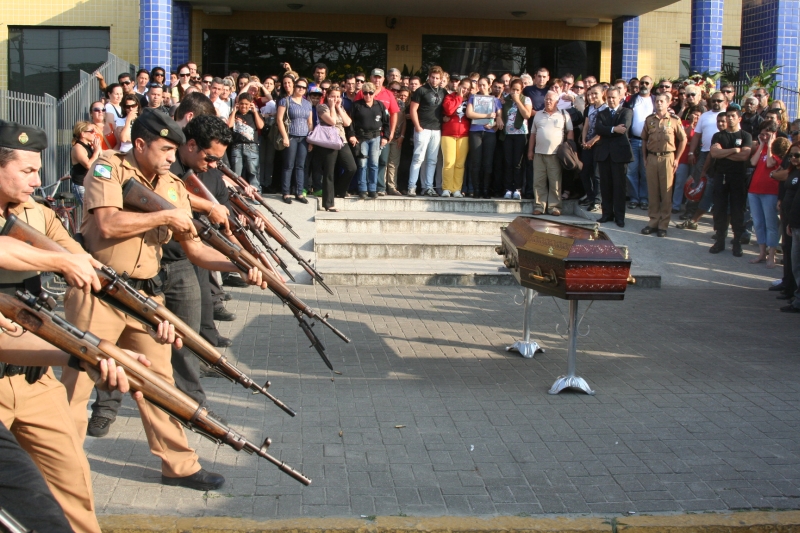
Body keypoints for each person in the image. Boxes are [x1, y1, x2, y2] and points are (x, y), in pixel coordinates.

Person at [60, 111, 266, 493]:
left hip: (144, 299)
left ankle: (179, 465)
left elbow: (195, 251)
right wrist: (167, 217)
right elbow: (106, 224)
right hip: (100, 292)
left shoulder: (171, 185)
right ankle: (60, 467)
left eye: (174, 149)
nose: (172, 156)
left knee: (160, 385)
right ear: (140, 144)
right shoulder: (109, 168)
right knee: (76, 385)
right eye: (165, 148)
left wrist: (239, 263)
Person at [0, 121, 158, 533]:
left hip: (34, 379)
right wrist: (59, 262)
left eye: (38, 170)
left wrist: (152, 316)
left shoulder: (37, 212)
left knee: (73, 487)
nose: (38, 179)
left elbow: (84, 261)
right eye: (27, 171)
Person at [639, 93, 687, 237]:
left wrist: (677, 158)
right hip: (652, 157)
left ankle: (663, 224)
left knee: (666, 192)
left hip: (668, 157)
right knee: (653, 191)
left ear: (668, 103)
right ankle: (653, 221)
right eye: (657, 101)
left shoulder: (674, 120)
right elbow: (644, 140)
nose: (659, 103)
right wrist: (644, 157)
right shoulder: (649, 120)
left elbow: (683, 140)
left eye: (662, 101)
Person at [708, 108, 753, 256]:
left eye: (733, 116)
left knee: (737, 210)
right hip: (721, 176)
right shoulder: (718, 136)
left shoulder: (745, 136)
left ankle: (737, 242)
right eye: (728, 116)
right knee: (719, 208)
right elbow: (714, 153)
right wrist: (735, 150)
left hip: (738, 177)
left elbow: (745, 156)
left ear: (739, 118)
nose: (730, 119)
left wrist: (724, 153)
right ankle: (720, 240)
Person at [528, 91, 572, 215]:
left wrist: (569, 150)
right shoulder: (538, 115)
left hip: (555, 154)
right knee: (538, 181)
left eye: (551, 99)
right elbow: (533, 134)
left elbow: (570, 132)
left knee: (555, 182)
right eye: (546, 99)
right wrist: (530, 151)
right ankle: (539, 206)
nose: (548, 101)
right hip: (539, 154)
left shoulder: (564, 114)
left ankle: (555, 207)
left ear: (557, 102)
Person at [594, 87, 633, 227]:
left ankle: (619, 217)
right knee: (605, 186)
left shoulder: (626, 111)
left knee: (619, 186)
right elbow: (598, 128)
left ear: (619, 98)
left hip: (619, 154)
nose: (611, 100)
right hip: (604, 153)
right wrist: (612, 129)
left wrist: (608, 129)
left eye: (613, 97)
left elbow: (624, 128)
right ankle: (606, 214)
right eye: (608, 97)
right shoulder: (602, 112)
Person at [747, 121, 783, 267]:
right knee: (758, 223)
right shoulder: (761, 148)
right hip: (754, 190)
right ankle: (762, 253)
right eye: (762, 134)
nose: (764, 136)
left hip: (770, 192)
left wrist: (769, 146)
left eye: (767, 134)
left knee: (771, 224)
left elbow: (769, 163)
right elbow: (753, 162)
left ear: (774, 134)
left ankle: (772, 255)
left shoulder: (778, 150)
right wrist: (761, 145)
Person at [316, 85, 356, 210]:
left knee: (351, 167)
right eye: (333, 96)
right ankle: (328, 203)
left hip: (342, 140)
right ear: (327, 96)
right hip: (328, 142)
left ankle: (339, 190)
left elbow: (348, 123)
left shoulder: (340, 108)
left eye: (338, 96)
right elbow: (332, 121)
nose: (335, 99)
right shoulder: (322, 107)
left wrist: (338, 107)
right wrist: (332, 107)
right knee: (329, 172)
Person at [408, 66, 446, 197]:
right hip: (422, 128)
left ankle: (428, 186)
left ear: (441, 79)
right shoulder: (421, 90)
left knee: (432, 160)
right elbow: (413, 110)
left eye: (437, 78)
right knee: (418, 158)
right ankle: (412, 186)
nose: (434, 80)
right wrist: (417, 126)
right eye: (432, 77)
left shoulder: (443, 91)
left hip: (436, 129)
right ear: (429, 77)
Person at [348, 82, 389, 199]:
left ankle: (372, 189)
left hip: (376, 137)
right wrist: (352, 135)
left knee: (374, 164)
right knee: (362, 164)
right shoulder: (356, 105)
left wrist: (385, 137)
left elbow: (387, 122)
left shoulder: (380, 106)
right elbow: (350, 122)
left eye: (370, 93)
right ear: (362, 93)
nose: (368, 96)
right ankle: (362, 189)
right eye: (365, 93)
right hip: (361, 138)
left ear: (374, 93)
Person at [277, 78, 313, 204]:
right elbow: (279, 120)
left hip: (304, 137)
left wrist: (311, 139)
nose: (301, 89)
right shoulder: (285, 101)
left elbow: (310, 122)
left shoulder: (307, 104)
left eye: (304, 87)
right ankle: (286, 193)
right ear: (294, 86)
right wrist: (285, 136)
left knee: (300, 166)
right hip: (291, 136)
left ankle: (299, 192)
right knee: (288, 165)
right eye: (299, 86)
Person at [466, 78, 503, 199]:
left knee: (488, 163)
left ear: (489, 85)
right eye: (479, 85)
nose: (481, 87)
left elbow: (499, 118)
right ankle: (476, 190)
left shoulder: (495, 100)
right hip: (475, 131)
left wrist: (494, 124)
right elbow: (469, 114)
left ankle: (486, 189)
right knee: (476, 162)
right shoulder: (473, 98)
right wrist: (487, 116)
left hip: (490, 132)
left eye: (484, 85)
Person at [624, 75, 655, 210]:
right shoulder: (631, 100)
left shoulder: (655, 100)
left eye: (647, 83)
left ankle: (644, 198)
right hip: (633, 140)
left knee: (645, 171)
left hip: (650, 142)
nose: (644, 85)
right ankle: (634, 198)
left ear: (651, 85)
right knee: (631, 171)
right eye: (642, 83)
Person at [500, 78, 532, 200]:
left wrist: (518, 101)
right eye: (513, 89)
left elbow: (527, 115)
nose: (514, 92)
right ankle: (508, 188)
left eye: (517, 90)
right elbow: (499, 109)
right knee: (508, 162)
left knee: (518, 163)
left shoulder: (526, 99)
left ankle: (517, 188)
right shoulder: (505, 99)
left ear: (521, 90)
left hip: (520, 134)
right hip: (507, 134)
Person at [441, 78, 472, 197]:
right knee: (449, 162)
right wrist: (459, 97)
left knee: (460, 163)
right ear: (459, 85)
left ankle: (456, 189)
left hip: (464, 134)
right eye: (464, 87)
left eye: (468, 89)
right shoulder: (450, 97)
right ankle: (446, 188)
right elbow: (448, 110)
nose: (465, 90)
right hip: (448, 133)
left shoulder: (471, 99)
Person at [228, 92, 264, 193]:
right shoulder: (234, 114)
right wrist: (234, 111)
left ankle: (256, 193)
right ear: (238, 103)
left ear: (250, 104)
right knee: (236, 171)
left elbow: (260, 126)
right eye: (242, 103)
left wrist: (255, 111)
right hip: (237, 146)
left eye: (246, 104)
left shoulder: (253, 114)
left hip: (251, 146)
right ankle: (236, 193)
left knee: (253, 171)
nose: (244, 106)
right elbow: (229, 125)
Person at [579, 84, 606, 212]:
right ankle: (589, 196)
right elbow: (586, 126)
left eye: (595, 93)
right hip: (587, 145)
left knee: (597, 174)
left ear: (602, 93)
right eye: (589, 94)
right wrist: (584, 140)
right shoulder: (589, 108)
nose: (592, 96)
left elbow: (603, 131)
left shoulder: (606, 109)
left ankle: (597, 200)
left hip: (600, 145)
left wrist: (592, 141)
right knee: (585, 172)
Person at [673, 106, 703, 213]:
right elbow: (684, 137)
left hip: (696, 158)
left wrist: (691, 144)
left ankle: (688, 207)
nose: (695, 117)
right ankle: (676, 205)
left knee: (693, 183)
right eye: (693, 114)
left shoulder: (703, 125)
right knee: (680, 182)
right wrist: (691, 123)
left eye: (698, 115)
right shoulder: (684, 123)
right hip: (683, 157)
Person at [70, 121, 101, 204]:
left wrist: (98, 149)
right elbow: (88, 165)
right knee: (88, 211)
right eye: (91, 131)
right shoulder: (78, 148)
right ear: (83, 134)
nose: (95, 133)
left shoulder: (89, 146)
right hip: (81, 184)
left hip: (91, 183)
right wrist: (96, 151)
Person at [384, 82, 407, 196]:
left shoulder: (401, 104)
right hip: (385, 137)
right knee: (383, 162)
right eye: (393, 90)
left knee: (393, 163)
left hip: (397, 137)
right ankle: (381, 186)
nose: (396, 92)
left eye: (398, 90)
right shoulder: (384, 101)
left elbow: (403, 122)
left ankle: (392, 187)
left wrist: (402, 136)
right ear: (388, 89)